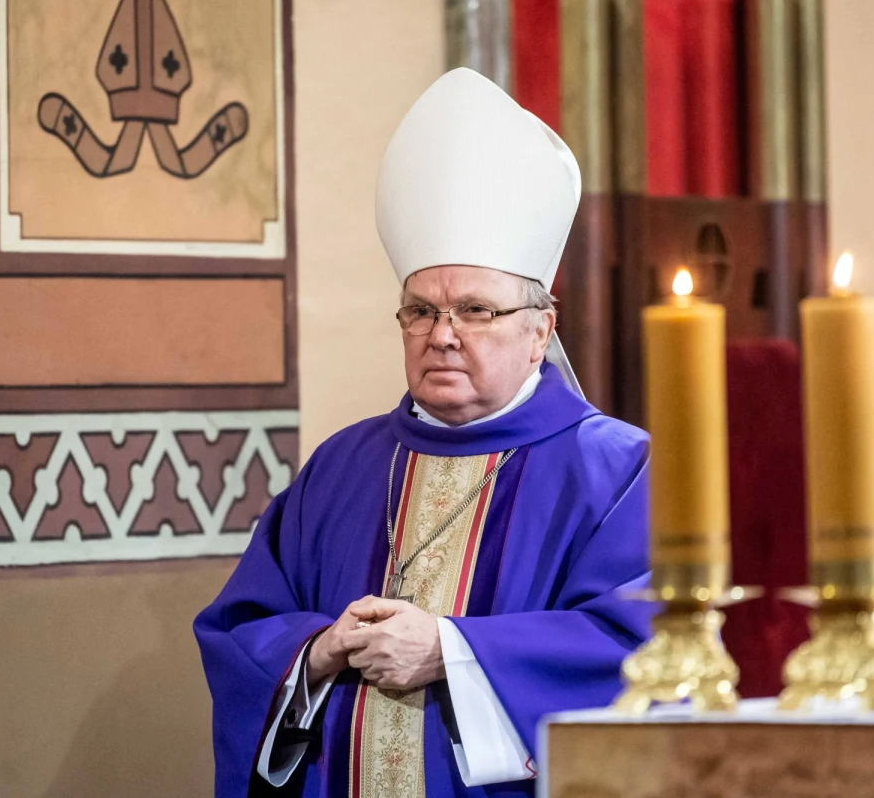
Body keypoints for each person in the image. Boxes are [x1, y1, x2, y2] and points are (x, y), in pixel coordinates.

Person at [194, 67, 651, 798]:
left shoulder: (616, 472)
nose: (442, 335)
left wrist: (453, 651)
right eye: (420, 311)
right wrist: (314, 652)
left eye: (475, 310)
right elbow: (240, 630)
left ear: (541, 331)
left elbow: (642, 654)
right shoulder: (342, 467)